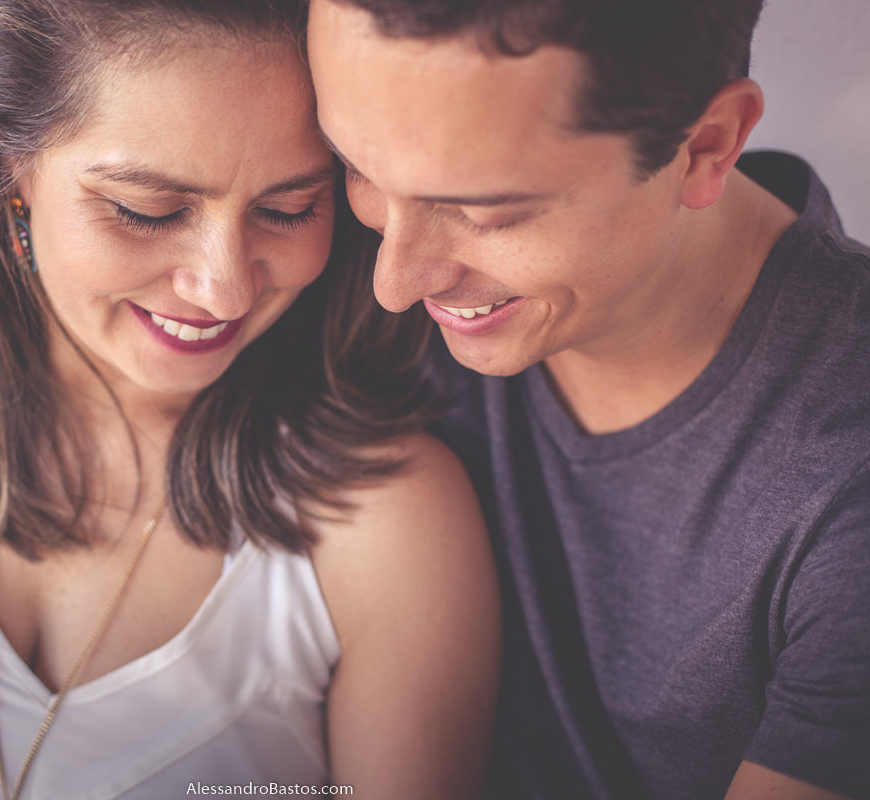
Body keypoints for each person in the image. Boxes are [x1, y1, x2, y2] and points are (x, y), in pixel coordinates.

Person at [0, 1, 502, 797]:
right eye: (147, 210)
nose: (221, 287)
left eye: (288, 210)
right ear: (10, 168)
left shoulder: (393, 521)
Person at [307, 0, 870, 798]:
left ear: (705, 147)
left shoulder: (847, 477)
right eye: (354, 167)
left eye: (482, 211)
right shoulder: (303, 240)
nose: (392, 283)